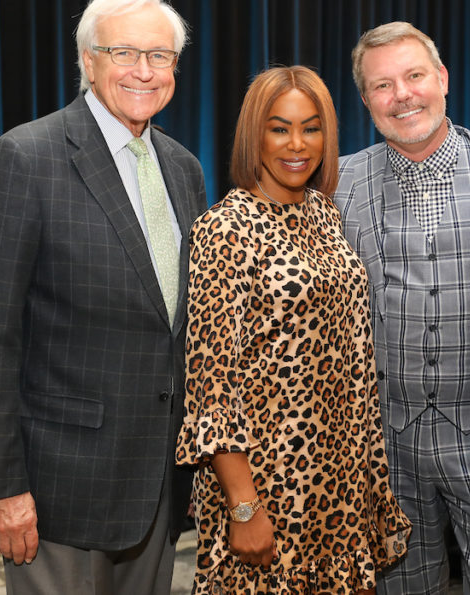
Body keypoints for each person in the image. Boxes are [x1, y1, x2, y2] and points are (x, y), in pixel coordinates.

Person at [0, 0, 207, 594]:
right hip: (57, 487)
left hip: (157, 483)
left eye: (160, 56)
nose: (144, 71)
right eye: (124, 53)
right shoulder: (23, 159)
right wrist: (0, 486)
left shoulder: (183, 168)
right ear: (88, 61)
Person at [176, 65, 411, 594]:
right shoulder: (226, 228)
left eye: (312, 128)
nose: (298, 144)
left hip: (341, 479)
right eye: (279, 128)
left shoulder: (324, 214)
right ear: (253, 135)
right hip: (269, 483)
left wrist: (368, 482)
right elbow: (212, 384)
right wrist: (243, 506)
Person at [334, 22, 470, 594]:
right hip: (386, 444)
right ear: (366, 99)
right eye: (382, 85)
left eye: (415, 76)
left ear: (442, 79)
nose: (402, 95)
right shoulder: (338, 182)